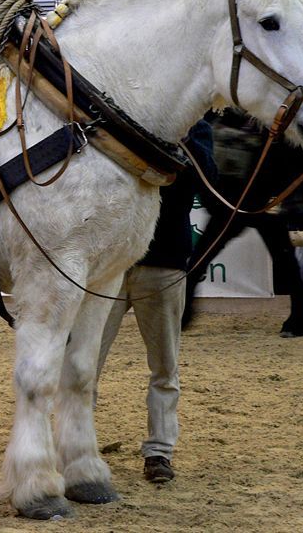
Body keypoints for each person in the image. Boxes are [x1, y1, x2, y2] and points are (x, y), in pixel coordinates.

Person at [95, 119, 216, 483]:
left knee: (164, 365)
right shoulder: (124, 117)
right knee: (85, 362)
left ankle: (160, 450)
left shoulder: (197, 130)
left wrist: (185, 142)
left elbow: (209, 180)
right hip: (112, 262)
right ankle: (75, 443)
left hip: (162, 262)